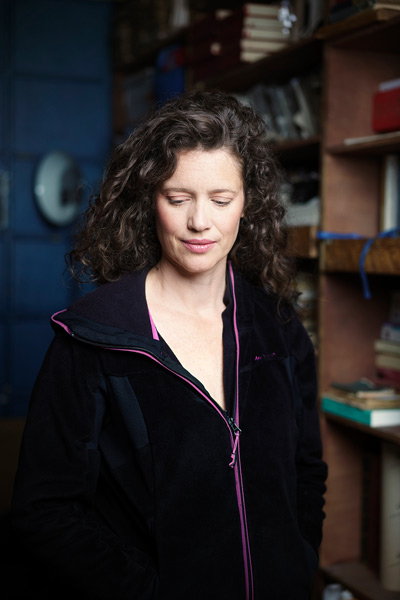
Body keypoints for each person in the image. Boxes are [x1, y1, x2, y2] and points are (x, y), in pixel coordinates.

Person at [11, 90, 327, 599]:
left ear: (247, 203)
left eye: (221, 200)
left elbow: (307, 471)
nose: (200, 221)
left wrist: (298, 560)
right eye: (178, 199)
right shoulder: (92, 338)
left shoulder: (279, 329)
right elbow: (45, 511)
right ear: (150, 201)